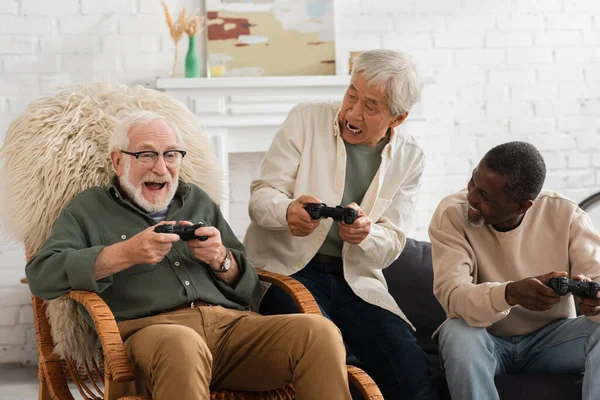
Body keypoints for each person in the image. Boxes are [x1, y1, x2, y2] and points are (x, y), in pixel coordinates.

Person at [25, 111, 352, 400]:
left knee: (318, 333)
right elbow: (43, 274)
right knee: (181, 343)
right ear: (118, 160)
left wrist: (220, 258)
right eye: (146, 154)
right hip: (152, 336)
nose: (161, 167)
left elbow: (250, 286)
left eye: (171, 155)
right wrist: (125, 253)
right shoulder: (89, 208)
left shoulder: (198, 201)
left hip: (231, 330)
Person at [244, 49, 439, 400]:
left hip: (356, 281)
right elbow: (260, 198)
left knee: (408, 363)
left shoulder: (411, 157)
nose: (352, 112)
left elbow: (392, 242)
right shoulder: (306, 119)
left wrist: (366, 233)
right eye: (352, 94)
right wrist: (287, 211)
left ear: (398, 118)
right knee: (320, 346)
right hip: (290, 273)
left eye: (371, 106)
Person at [429, 141, 600, 400]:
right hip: (485, 340)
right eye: (472, 182)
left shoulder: (565, 214)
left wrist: (595, 302)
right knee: (456, 332)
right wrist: (509, 294)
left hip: (553, 343)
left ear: (523, 206)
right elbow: (453, 295)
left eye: (485, 196)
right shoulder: (452, 214)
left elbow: (597, 278)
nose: (472, 198)